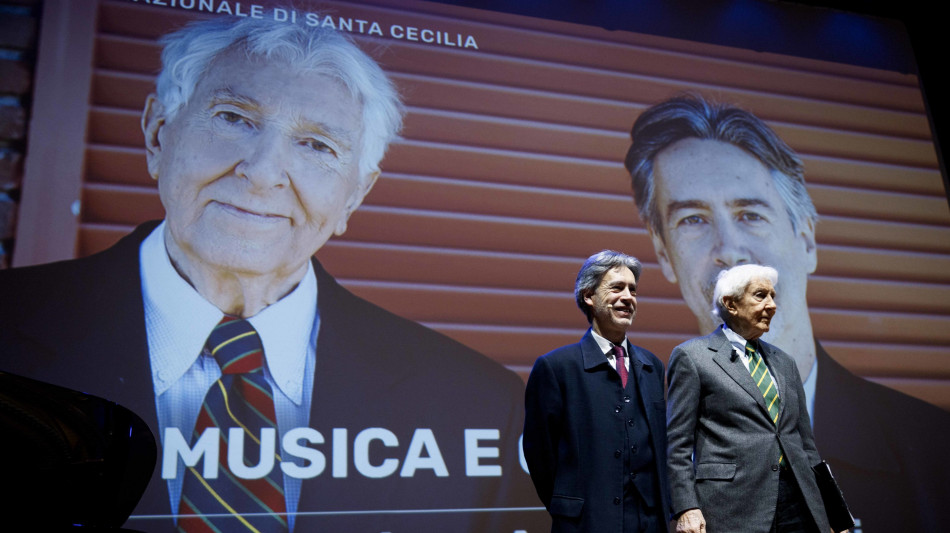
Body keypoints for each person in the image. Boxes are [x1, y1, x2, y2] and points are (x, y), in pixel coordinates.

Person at [0, 15, 540, 532]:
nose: (260, 174)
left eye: (316, 145)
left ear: (355, 193)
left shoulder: (477, 401)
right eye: (233, 117)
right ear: (158, 134)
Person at [624, 93, 950, 530]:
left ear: (807, 239)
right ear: (664, 254)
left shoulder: (933, 446)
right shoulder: (643, 456)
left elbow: (808, 455)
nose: (730, 250)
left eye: (750, 214)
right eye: (693, 220)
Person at [668, 264, 831, 533]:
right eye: (760, 295)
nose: (772, 305)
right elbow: (678, 443)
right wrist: (686, 506)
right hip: (732, 504)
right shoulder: (693, 357)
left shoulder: (784, 362)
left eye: (773, 296)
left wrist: (833, 513)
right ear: (730, 304)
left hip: (798, 502)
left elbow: (806, 445)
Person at [523, 250, 671, 532]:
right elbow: (540, 455)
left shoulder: (652, 365)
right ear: (589, 296)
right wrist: (571, 505)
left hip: (649, 522)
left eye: (633, 290)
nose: (628, 297)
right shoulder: (556, 367)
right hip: (586, 522)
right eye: (617, 288)